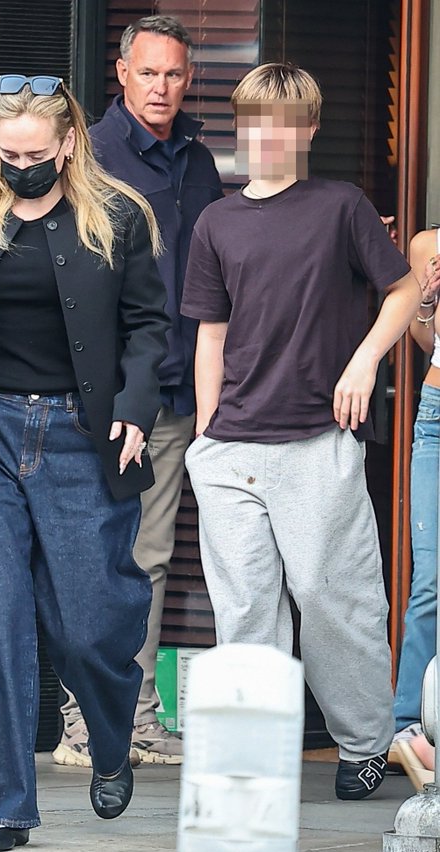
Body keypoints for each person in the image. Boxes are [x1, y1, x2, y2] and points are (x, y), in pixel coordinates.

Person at [0, 75, 169, 851]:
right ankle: (2, 808)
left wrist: (133, 407)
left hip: (78, 435)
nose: (19, 165)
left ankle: (112, 733)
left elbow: (151, 326)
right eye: (7, 151)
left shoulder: (117, 216)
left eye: (34, 153)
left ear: (66, 144)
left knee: (90, 624)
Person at [181, 62, 421, 801]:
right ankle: (255, 756)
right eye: (255, 121)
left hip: (316, 441)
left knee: (332, 597)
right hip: (232, 449)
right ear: (241, 127)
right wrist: (203, 436)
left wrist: (362, 364)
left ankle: (363, 743)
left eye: (285, 122)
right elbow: (211, 336)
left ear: (309, 130)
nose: (268, 136)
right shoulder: (216, 221)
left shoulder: (339, 206)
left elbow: (406, 288)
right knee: (245, 608)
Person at [53, 14, 223, 770]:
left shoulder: (198, 161)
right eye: (148, 72)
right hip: (108, 395)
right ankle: (83, 724)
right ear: (121, 73)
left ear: (190, 81)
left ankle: (138, 718)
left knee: (150, 559)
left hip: (183, 394)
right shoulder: (88, 154)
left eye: (174, 74)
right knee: (96, 556)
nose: (161, 87)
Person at [390, 231, 440, 791]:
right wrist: (426, 300)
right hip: (436, 414)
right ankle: (410, 727)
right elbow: (427, 341)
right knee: (429, 578)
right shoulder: (429, 244)